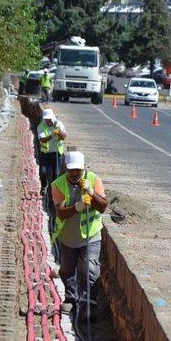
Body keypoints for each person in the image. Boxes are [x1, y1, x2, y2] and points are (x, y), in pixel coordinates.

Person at [51, 151, 108, 318]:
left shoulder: (94, 180)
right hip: (68, 236)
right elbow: (60, 213)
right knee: (68, 269)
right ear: (66, 169)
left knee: (89, 270)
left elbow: (103, 206)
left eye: (78, 170)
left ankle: (88, 307)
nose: (75, 174)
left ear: (83, 168)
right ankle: (71, 298)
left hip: (91, 235)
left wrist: (91, 193)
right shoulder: (58, 185)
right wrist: (77, 207)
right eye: (71, 170)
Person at [38, 108, 66, 196]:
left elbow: (64, 137)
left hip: (57, 153)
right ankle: (44, 186)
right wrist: (52, 135)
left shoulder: (59, 124)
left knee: (56, 174)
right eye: (46, 119)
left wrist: (58, 131)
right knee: (43, 172)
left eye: (49, 119)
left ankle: (52, 193)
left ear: (52, 118)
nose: (47, 121)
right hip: (45, 154)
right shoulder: (41, 126)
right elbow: (42, 140)